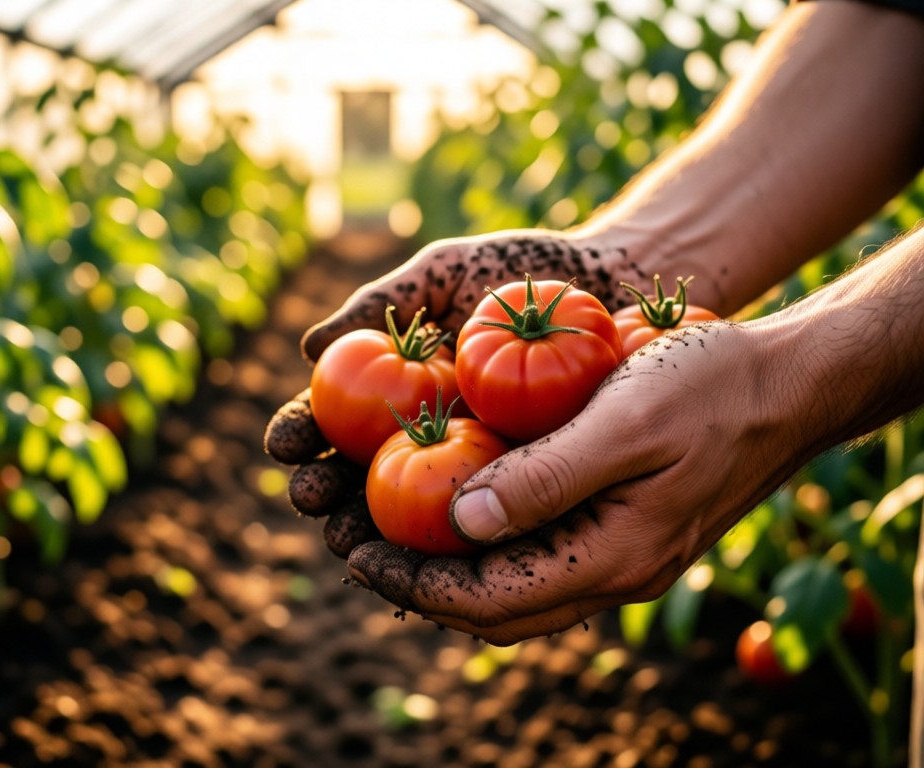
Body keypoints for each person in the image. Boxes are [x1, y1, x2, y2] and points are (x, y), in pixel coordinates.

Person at [266, 0, 924, 656]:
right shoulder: (533, 347)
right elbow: (893, 21)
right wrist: (633, 257)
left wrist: (778, 383)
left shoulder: (491, 361)